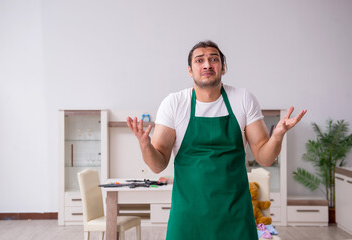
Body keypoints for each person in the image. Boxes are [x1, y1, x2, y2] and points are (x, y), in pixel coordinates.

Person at [126, 40, 307, 240]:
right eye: (199, 60)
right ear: (190, 70)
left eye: (214, 59)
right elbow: (157, 165)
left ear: (222, 67)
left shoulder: (242, 99)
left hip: (235, 214)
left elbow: (265, 158)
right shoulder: (175, 103)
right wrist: (145, 145)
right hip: (188, 216)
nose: (207, 65)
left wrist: (278, 135)